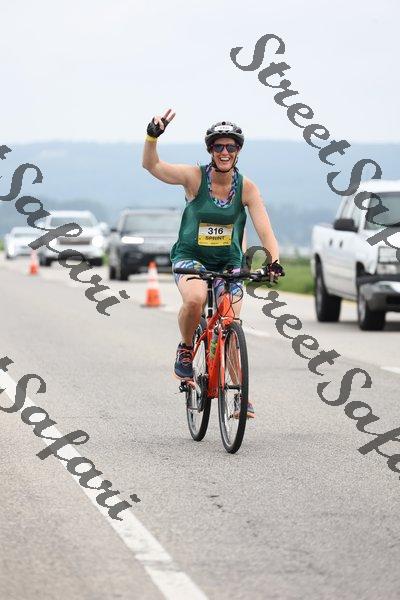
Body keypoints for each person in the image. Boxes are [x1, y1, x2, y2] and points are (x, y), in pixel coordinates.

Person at [142, 109, 282, 417]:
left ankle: (239, 394)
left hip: (228, 262)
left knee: (230, 321)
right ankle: (185, 348)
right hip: (190, 258)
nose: (224, 152)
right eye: (218, 146)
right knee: (195, 298)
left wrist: (274, 262)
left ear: (238, 150)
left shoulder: (247, 188)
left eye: (230, 146)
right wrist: (152, 136)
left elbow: (265, 230)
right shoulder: (194, 177)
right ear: (210, 150)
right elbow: (152, 165)